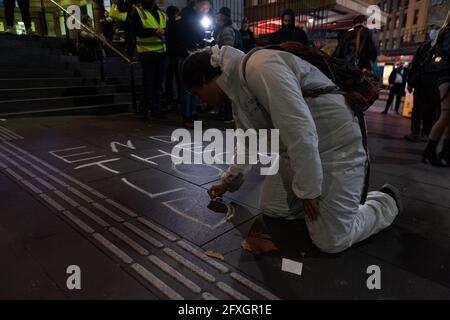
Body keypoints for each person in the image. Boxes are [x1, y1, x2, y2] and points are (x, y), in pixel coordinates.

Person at [182, 46, 401, 253]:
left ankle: (385, 201)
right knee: (273, 207)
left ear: (203, 80)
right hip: (303, 154)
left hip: (337, 144)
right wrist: (228, 182)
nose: (201, 101)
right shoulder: (237, 88)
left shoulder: (260, 67)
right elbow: (246, 141)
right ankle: (326, 201)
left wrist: (308, 191)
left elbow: (300, 131)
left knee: (332, 240)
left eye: (197, 94)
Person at [175, 0, 211, 127]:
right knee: (186, 87)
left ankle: (193, 113)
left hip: (195, 55)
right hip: (186, 55)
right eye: (205, 7)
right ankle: (187, 116)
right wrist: (188, 49)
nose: (206, 10)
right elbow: (181, 36)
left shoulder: (198, 17)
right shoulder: (185, 16)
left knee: (196, 84)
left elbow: (200, 35)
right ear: (198, 5)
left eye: (208, 8)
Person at [422, 10, 450, 167]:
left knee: (448, 116)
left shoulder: (444, 32)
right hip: (447, 76)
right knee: (445, 115)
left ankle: (446, 151)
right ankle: (430, 150)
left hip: (445, 76)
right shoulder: (448, 32)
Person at [131, 0, 167, 120]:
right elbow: (137, 31)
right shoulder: (138, 11)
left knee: (158, 83)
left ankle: (155, 109)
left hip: (161, 52)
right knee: (148, 83)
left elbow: (167, 28)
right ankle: (144, 110)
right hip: (146, 52)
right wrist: (154, 32)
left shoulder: (161, 12)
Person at [404, 41, 440, 142]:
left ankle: (425, 132)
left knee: (430, 110)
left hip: (434, 83)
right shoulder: (424, 46)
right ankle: (416, 132)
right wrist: (411, 82)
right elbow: (415, 64)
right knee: (418, 109)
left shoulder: (442, 45)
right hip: (422, 82)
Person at [164, 5, 181, 111]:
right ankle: (177, 99)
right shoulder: (177, 25)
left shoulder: (167, 24)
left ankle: (170, 99)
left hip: (168, 53)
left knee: (169, 78)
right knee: (178, 78)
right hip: (176, 54)